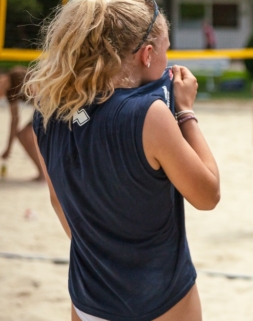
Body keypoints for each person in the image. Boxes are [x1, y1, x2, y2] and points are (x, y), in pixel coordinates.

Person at [23, 0, 219, 320]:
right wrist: (185, 111)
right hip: (158, 295)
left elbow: (58, 201)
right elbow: (208, 195)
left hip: (89, 294)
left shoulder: (47, 114)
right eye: (165, 50)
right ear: (147, 54)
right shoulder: (149, 115)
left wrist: (103, 252)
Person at [1, 66, 45, 181]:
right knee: (23, 135)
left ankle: (44, 173)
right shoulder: (9, 92)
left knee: (27, 134)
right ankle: (42, 172)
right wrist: (8, 148)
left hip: (48, 104)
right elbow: (14, 121)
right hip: (41, 109)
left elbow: (39, 89)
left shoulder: (17, 74)